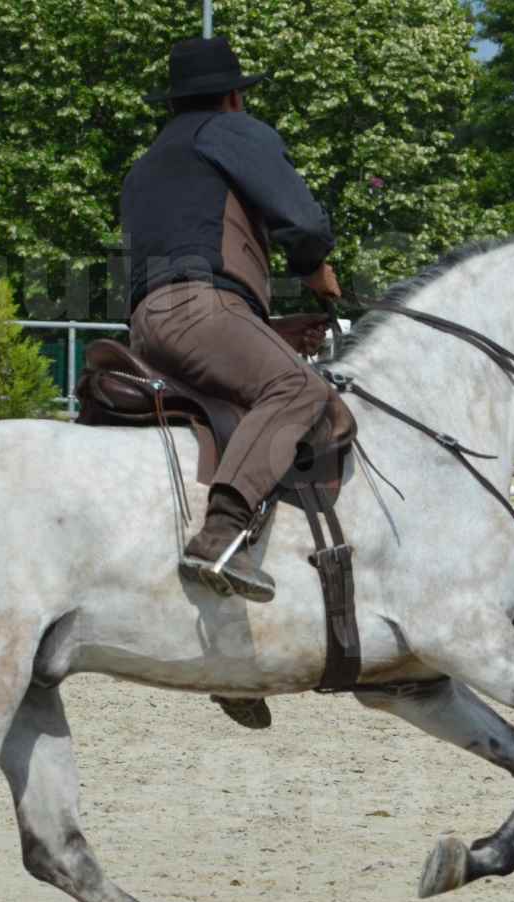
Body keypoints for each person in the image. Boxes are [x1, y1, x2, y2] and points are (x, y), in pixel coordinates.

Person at [123, 35, 343, 603]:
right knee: (298, 388)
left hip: (148, 323)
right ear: (232, 99)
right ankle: (223, 529)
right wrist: (314, 265)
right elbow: (301, 219)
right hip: (199, 310)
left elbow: (189, 266)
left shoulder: (147, 165)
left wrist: (265, 325)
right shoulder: (230, 132)